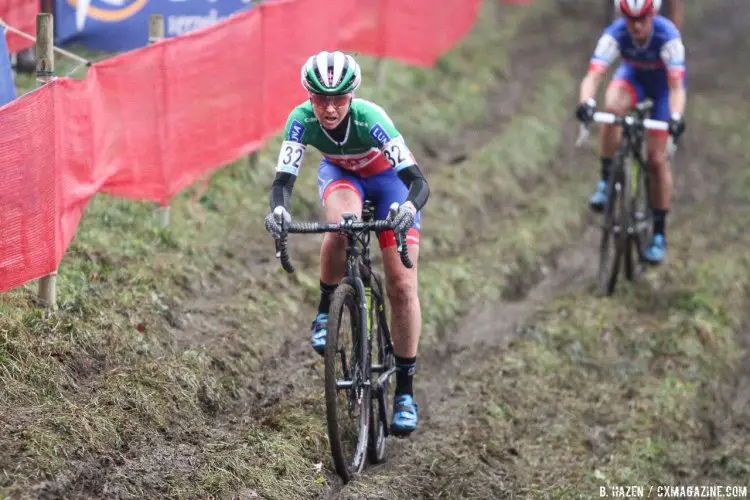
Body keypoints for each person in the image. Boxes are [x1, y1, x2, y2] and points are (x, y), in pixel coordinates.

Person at [264, 51, 429, 435]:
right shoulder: (300, 121)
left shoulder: (372, 120)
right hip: (342, 175)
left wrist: (407, 208)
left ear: (351, 96)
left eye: (339, 99)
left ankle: (404, 391)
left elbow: (418, 182)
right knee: (340, 227)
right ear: (309, 97)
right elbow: (282, 183)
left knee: (402, 286)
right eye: (321, 99)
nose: (331, 108)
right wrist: (279, 212)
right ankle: (325, 312)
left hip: (389, 182)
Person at [576, 0, 686, 265]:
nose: (636, 26)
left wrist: (675, 117)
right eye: (629, 19)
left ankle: (659, 233)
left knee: (657, 160)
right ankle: (605, 181)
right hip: (632, 80)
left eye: (643, 19)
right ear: (621, 15)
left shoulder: (668, 37)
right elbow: (593, 76)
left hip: (662, 91)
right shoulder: (615, 34)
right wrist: (586, 103)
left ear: (653, 14)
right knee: (611, 109)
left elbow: (676, 88)